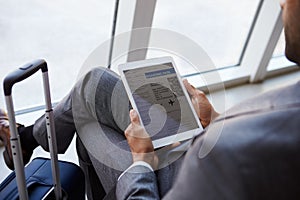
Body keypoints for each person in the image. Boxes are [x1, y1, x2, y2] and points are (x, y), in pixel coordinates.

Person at [0, 0, 299, 199]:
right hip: (193, 147)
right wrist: (214, 121)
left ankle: (26, 140)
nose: (282, 3)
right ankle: (27, 139)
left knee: (87, 124)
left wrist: (142, 161)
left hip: (168, 181)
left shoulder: (255, 150)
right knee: (95, 83)